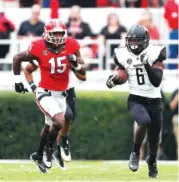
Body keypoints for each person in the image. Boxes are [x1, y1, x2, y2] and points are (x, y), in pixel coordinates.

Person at [12, 19, 86, 173]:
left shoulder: (72, 45)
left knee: (48, 127)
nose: (58, 37)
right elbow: (17, 58)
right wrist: (18, 81)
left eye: (60, 33)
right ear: (47, 34)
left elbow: (83, 73)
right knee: (59, 121)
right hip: (44, 92)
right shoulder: (38, 47)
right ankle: (49, 149)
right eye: (54, 34)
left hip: (62, 95)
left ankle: (39, 155)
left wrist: (76, 65)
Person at [106, 25, 166, 178]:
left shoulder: (154, 52)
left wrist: (146, 64)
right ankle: (135, 152)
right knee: (144, 121)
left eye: (137, 41)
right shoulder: (122, 53)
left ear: (145, 41)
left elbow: (157, 81)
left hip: (155, 99)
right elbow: (121, 74)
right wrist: (114, 80)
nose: (133, 44)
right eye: (131, 41)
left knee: (154, 138)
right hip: (136, 99)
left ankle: (152, 162)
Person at [164, 0, 178, 69]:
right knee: (173, 51)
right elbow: (165, 17)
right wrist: (169, 28)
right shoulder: (170, 3)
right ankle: (171, 70)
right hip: (174, 31)